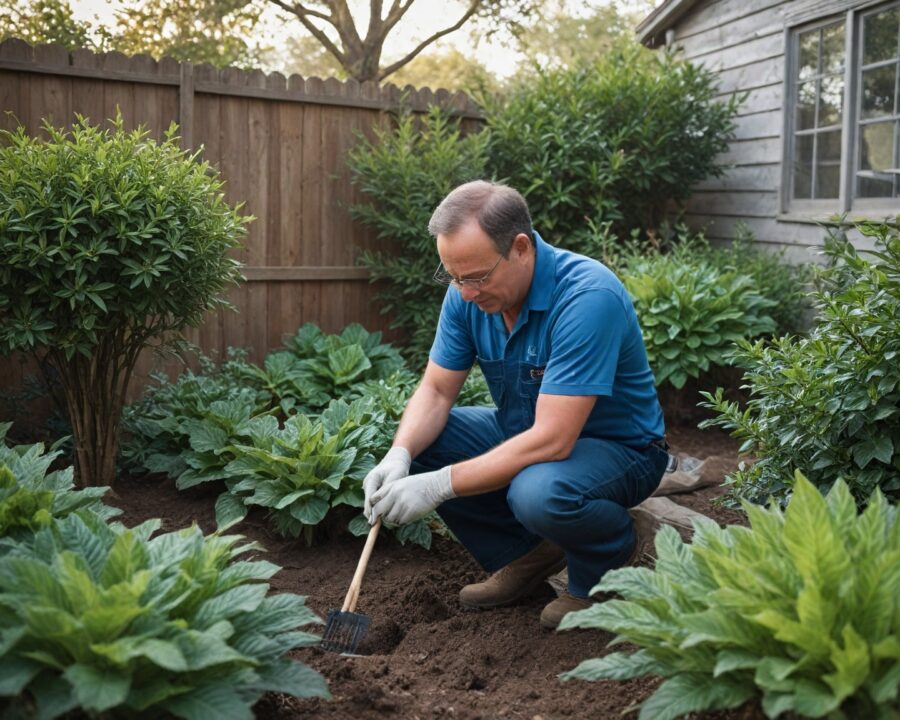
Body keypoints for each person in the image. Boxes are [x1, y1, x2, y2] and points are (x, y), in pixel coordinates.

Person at [364, 180, 668, 629]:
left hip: (621, 451)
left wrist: (438, 486)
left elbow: (553, 440)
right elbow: (436, 391)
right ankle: (529, 554)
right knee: (427, 443)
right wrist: (400, 454)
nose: (465, 291)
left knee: (539, 492)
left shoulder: (586, 297)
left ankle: (608, 556)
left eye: (476, 276)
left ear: (521, 248)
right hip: (527, 433)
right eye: (453, 276)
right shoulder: (467, 295)